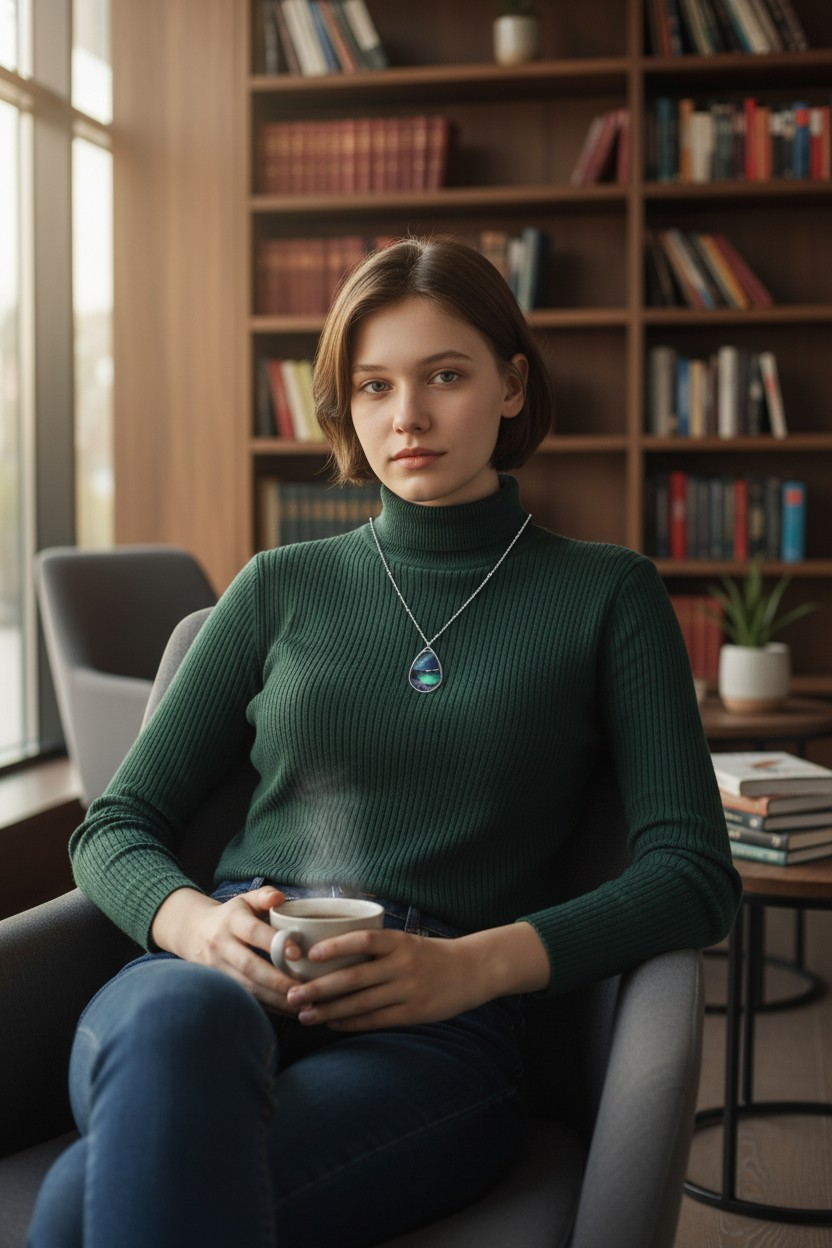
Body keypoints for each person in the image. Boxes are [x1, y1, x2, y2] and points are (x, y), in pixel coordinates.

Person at [28, 236, 741, 1248]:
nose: (404, 416)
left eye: (443, 375)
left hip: (435, 1027)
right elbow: (115, 825)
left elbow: (694, 874)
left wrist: (472, 969)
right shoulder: (277, 585)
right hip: (218, 971)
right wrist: (196, 928)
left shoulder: (607, 594)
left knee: (74, 1205)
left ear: (509, 385)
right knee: (189, 1019)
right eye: (372, 386)